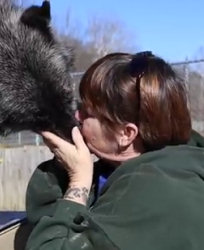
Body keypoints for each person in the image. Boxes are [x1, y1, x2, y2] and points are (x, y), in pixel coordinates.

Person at [25, 52, 204, 250]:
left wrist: (78, 180)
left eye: (88, 112)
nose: (77, 115)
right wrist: (63, 165)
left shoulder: (154, 192)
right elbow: (45, 220)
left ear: (126, 134)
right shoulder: (122, 167)